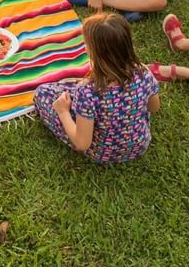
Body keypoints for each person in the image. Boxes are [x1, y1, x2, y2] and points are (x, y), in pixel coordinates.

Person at [33, 13, 160, 163]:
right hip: (139, 146)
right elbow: (153, 108)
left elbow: (82, 143)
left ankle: (63, 108)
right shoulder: (144, 72)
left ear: (96, 53)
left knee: (43, 93)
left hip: (101, 153)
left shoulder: (88, 92)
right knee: (71, 91)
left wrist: (63, 111)